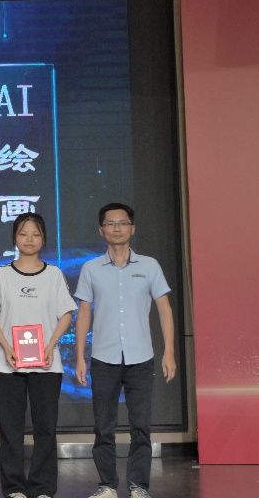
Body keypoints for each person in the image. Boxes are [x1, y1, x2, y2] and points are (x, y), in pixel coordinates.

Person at [74, 203, 176, 498]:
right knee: (103, 427)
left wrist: (169, 351)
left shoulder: (149, 266)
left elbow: (164, 309)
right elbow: (84, 313)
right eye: (110, 223)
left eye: (122, 223)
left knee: (140, 426)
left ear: (132, 228)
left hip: (140, 358)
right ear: (101, 230)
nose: (117, 228)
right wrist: (79, 356)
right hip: (103, 358)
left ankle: (138, 486)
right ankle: (107, 485)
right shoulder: (91, 268)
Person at [0, 212, 77, 498]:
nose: (29, 239)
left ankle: (42, 487)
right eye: (23, 233)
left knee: (45, 428)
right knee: (11, 429)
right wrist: (7, 347)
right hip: (7, 364)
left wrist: (51, 345)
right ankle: (14, 488)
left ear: (43, 238)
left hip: (47, 363)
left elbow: (67, 313)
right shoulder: (2, 274)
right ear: (15, 238)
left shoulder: (54, 274)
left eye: (35, 234)